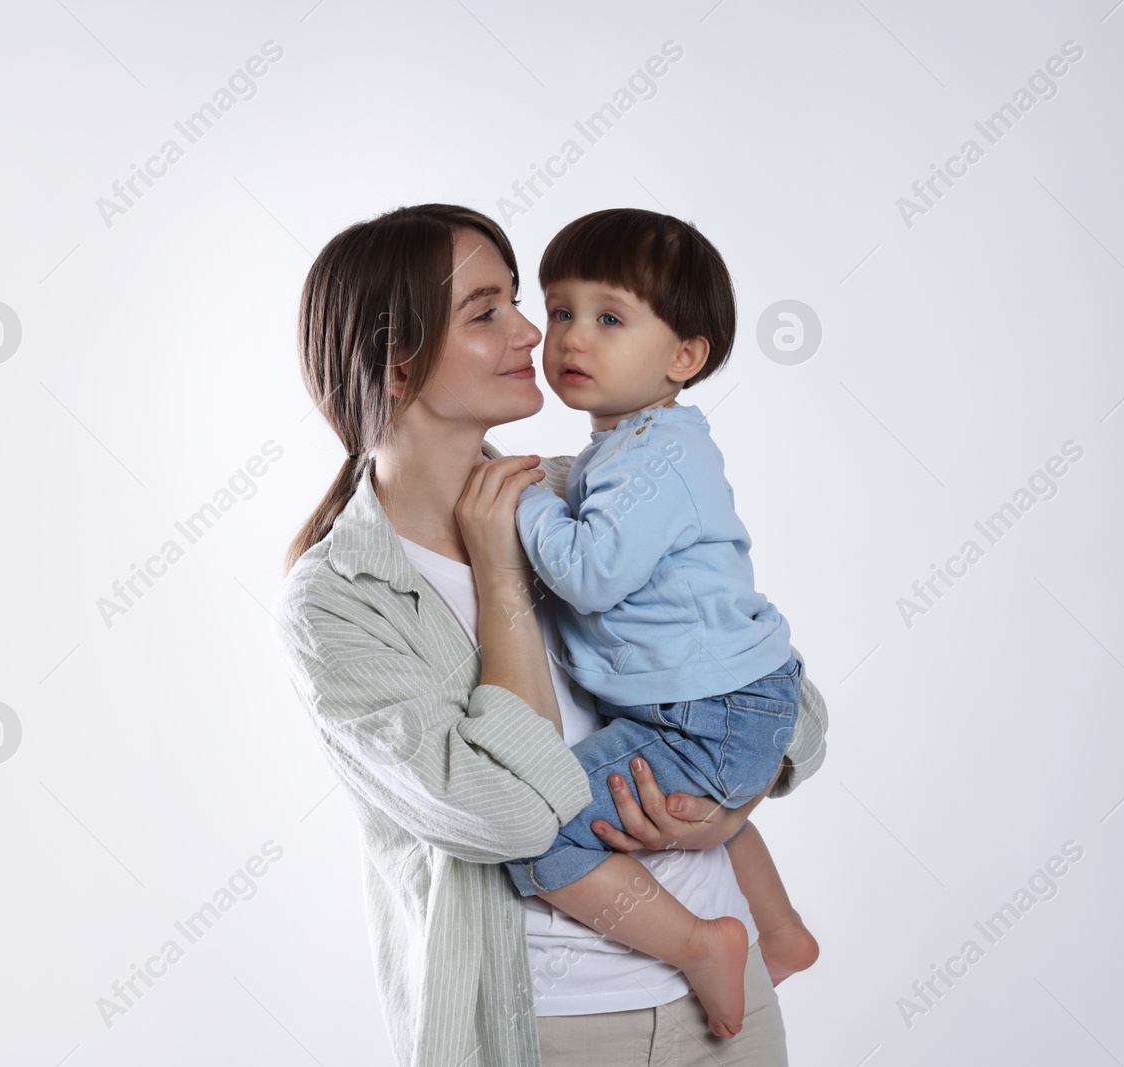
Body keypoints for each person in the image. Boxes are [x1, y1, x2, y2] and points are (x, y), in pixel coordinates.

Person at [272, 203, 829, 1067]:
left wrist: (724, 806)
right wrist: (500, 580)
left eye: (520, 302)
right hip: (550, 1027)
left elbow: (791, 701)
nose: (533, 330)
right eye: (486, 311)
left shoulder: (578, 498)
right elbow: (514, 814)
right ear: (393, 362)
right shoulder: (341, 602)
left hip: (731, 1007)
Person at [501, 208, 819, 1039]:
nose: (571, 338)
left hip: (704, 710)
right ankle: (779, 927)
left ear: (684, 356)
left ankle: (703, 943)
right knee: (697, 798)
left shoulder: (653, 457)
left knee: (540, 829)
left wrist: (526, 496)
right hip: (725, 700)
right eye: (560, 310)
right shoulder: (640, 442)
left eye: (609, 318)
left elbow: (587, 572)